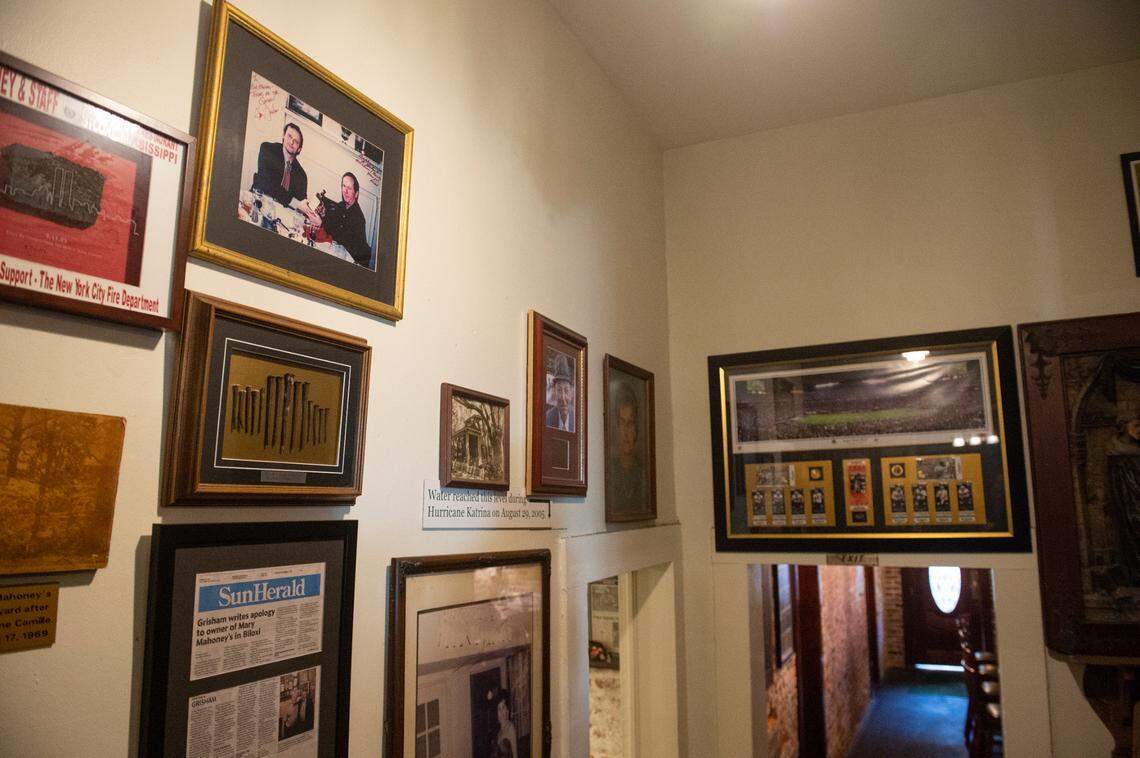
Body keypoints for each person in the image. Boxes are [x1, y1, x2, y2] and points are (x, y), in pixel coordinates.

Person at [308, 172, 372, 266]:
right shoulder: (342, 205)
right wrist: (323, 213)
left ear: (356, 194)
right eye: (344, 186)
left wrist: (322, 223)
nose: (345, 191)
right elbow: (333, 225)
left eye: (349, 188)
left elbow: (341, 236)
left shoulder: (358, 218)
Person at [1107, 407, 1140, 586]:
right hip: (1129, 503)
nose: (1139, 429)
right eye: (1136, 425)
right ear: (1124, 427)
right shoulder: (1117, 454)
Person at [253, 123, 308, 207]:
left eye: (296, 141)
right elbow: (269, 183)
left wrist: (313, 208)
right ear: (283, 136)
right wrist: (295, 202)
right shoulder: (267, 149)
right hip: (259, 201)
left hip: (283, 212)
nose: (291, 142)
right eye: (289, 136)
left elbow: (302, 201)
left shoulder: (302, 175)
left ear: (299, 149)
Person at [611, 383, 646, 506]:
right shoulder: (611, 470)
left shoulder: (643, 472)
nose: (626, 431)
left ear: (636, 429)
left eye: (630, 423)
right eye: (622, 423)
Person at [545, 352, 575, 432]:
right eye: (559, 390)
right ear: (554, 392)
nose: (563, 397)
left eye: (566, 390)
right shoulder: (547, 419)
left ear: (571, 393)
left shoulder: (577, 419)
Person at [490, 690, 517, 758]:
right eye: (499, 709)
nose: (501, 712)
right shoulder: (498, 732)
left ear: (507, 710)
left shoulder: (510, 728)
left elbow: (515, 755)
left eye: (503, 707)